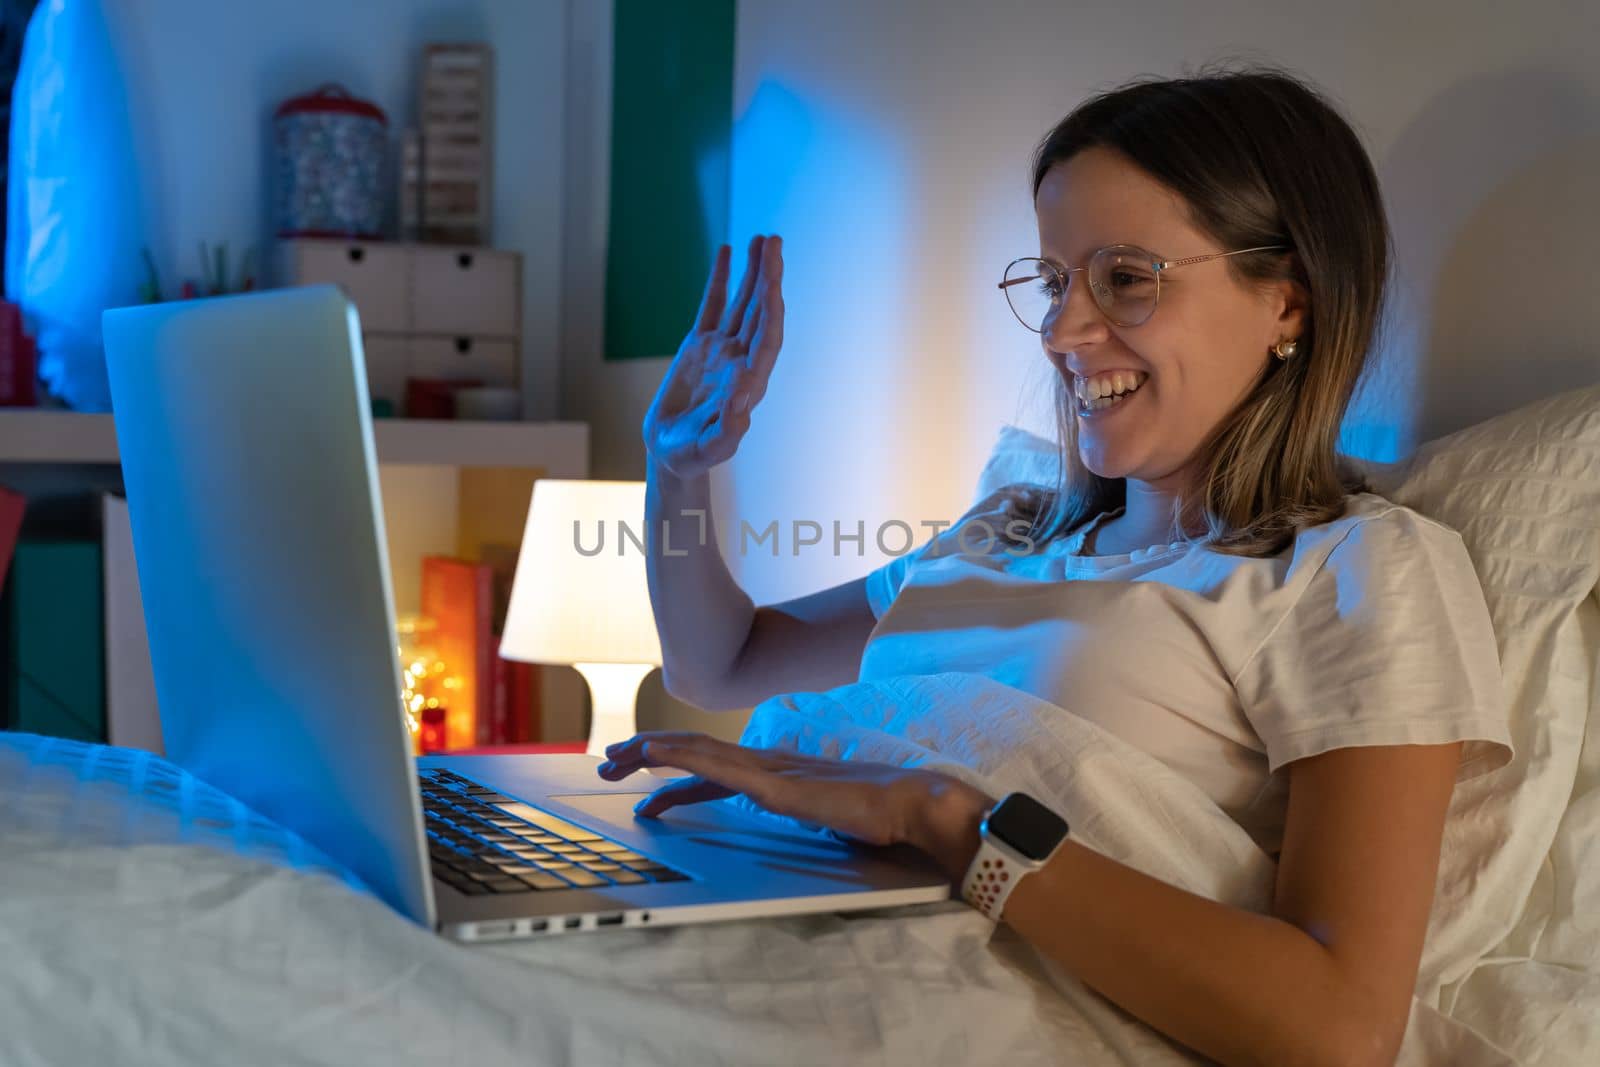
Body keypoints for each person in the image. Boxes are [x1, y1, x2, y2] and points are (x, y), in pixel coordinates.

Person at [597, 63, 1514, 1067]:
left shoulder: (1351, 570)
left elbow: (1338, 1028)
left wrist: (942, 816)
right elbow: (716, 663)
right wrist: (675, 470)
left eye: (1126, 278)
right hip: (757, 927)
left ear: (1286, 305)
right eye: (1051, 279)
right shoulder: (1009, 531)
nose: (1062, 329)